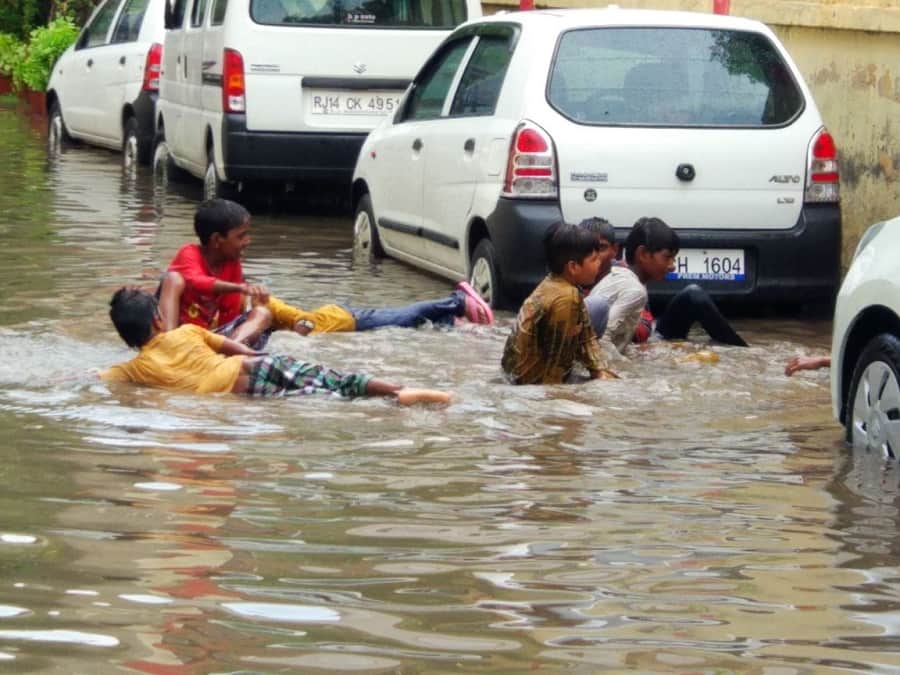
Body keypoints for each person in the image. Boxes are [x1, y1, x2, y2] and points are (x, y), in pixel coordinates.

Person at [157, 198, 493, 349]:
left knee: (371, 320)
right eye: (241, 236)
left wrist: (289, 324)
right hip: (227, 334)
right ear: (216, 241)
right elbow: (198, 283)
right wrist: (245, 292)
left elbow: (255, 312)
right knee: (268, 312)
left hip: (317, 319)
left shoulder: (231, 265)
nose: (248, 242)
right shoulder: (189, 259)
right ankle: (450, 315)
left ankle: (454, 304)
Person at [101, 287, 450, 405]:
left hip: (243, 390)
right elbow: (232, 347)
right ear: (159, 319)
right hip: (254, 366)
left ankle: (393, 396)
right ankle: (397, 390)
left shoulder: (133, 369)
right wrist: (258, 355)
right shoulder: (186, 332)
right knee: (333, 378)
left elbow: (95, 377)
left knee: (321, 396)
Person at [586, 216, 748, 351]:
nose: (672, 266)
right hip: (624, 341)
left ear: (615, 249)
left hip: (642, 336)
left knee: (693, 295)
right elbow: (602, 340)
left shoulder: (624, 271)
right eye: (667, 257)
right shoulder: (578, 279)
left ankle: (740, 351)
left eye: (600, 248)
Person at [502, 222, 616, 385]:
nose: (599, 263)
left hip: (515, 376)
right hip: (530, 382)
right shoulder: (565, 298)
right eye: (594, 259)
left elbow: (587, 336)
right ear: (573, 267)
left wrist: (600, 371)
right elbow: (555, 367)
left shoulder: (556, 284)